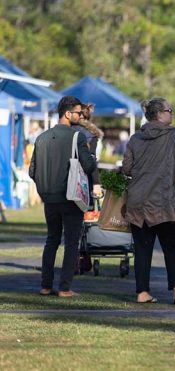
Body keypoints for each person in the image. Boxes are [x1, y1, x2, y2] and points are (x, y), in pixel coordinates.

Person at [122, 98, 175, 304]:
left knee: (142, 250)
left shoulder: (136, 138)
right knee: (172, 248)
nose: (172, 113)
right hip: (165, 203)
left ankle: (142, 292)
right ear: (160, 114)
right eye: (169, 110)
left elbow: (126, 168)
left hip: (139, 203)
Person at [29, 96, 97, 297]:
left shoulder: (41, 138)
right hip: (70, 197)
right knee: (71, 242)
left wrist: (44, 189)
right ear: (68, 113)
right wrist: (92, 157)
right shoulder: (77, 137)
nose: (80, 116)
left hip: (49, 199)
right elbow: (88, 165)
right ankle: (65, 288)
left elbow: (32, 171)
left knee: (51, 240)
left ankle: (46, 286)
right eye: (77, 112)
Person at [70, 103, 104, 207]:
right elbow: (91, 159)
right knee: (86, 212)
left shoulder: (66, 129)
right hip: (84, 179)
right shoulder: (91, 134)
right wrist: (96, 183)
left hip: (65, 177)